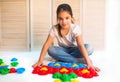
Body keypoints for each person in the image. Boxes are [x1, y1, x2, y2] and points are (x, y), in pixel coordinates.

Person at [32, 3, 100, 72]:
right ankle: (78, 60)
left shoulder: (75, 28)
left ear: (71, 17)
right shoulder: (54, 29)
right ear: (57, 18)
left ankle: (64, 59)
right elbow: (47, 44)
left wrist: (88, 62)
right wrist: (40, 60)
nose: (64, 22)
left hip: (75, 50)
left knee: (89, 48)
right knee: (51, 50)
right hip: (63, 50)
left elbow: (80, 45)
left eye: (67, 18)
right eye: (60, 19)